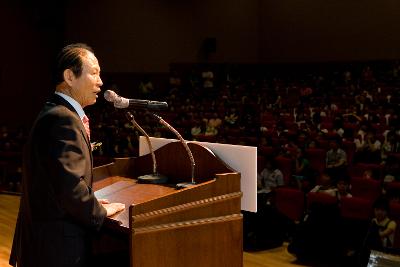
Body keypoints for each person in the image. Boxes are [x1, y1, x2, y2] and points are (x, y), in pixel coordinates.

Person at [10, 43, 125, 267]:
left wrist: (89, 200)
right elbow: (68, 185)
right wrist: (98, 211)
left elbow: (56, 180)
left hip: (45, 242)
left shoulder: (55, 111)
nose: (100, 82)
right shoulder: (63, 118)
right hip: (57, 248)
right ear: (69, 76)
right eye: (94, 73)